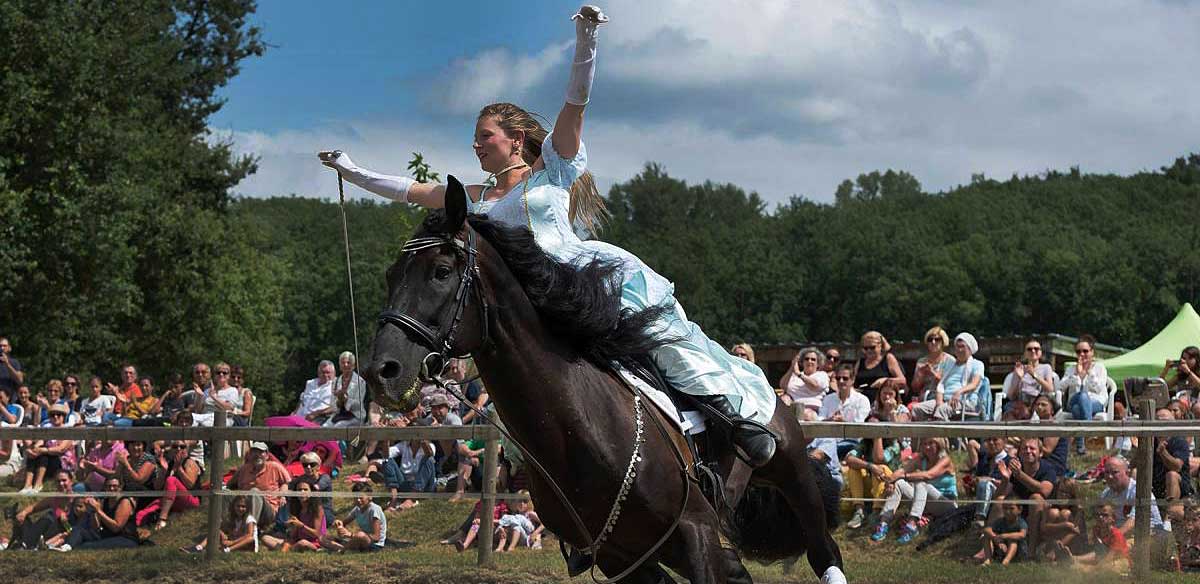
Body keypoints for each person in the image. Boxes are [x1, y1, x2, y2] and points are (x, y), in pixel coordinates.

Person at [318, 5, 781, 470]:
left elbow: (576, 101)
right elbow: (405, 189)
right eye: (474, 139)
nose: (476, 145)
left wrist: (586, 39)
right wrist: (350, 169)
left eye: (485, 137)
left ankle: (730, 416)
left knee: (658, 338)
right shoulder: (475, 198)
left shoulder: (551, 171)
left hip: (578, 281)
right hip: (527, 302)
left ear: (516, 139)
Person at [871, 437, 958, 544]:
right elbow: (902, 470)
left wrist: (904, 476)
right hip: (925, 502)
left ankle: (912, 524)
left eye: (931, 443)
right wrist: (891, 481)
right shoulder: (920, 459)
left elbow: (928, 475)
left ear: (939, 444)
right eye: (924, 444)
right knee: (899, 484)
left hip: (946, 505)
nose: (927, 447)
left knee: (921, 482)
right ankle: (883, 524)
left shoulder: (945, 460)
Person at [841, 412, 903, 530]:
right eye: (869, 427)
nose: (872, 429)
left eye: (875, 426)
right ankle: (859, 510)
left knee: (881, 468)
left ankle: (877, 511)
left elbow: (879, 459)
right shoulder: (864, 443)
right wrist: (869, 466)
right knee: (854, 468)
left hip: (891, 487)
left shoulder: (894, 444)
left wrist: (877, 437)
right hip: (872, 487)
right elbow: (849, 459)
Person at [997, 437, 1057, 552]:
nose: (1028, 451)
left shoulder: (1048, 469)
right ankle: (988, 547)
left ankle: (1031, 550)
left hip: (1042, 516)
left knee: (1036, 498)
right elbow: (999, 497)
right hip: (1018, 514)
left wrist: (1020, 475)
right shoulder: (1014, 467)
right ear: (1019, 452)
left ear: (1041, 453)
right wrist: (1005, 480)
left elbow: (1044, 490)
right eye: (1024, 448)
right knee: (1000, 500)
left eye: (1032, 448)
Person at [912, 332, 984, 421]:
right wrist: (939, 402)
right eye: (957, 347)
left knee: (942, 410)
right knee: (917, 409)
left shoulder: (977, 364)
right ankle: (923, 434)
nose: (959, 350)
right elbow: (941, 386)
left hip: (963, 400)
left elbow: (974, 384)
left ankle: (939, 434)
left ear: (970, 349)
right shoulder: (950, 365)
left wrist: (958, 392)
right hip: (944, 400)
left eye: (962, 347)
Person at [55, 477, 141, 551]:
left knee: (86, 546)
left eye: (115, 486)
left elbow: (116, 527)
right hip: (107, 535)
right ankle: (66, 547)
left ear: (120, 487)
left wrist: (99, 510)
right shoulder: (104, 501)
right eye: (109, 486)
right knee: (77, 529)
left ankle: (68, 547)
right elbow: (96, 527)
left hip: (125, 538)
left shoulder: (125, 502)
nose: (111, 489)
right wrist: (93, 511)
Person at [1058, 334, 1109, 454]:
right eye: (1078, 351)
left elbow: (1098, 389)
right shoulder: (1071, 369)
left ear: (1092, 352)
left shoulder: (1100, 368)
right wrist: (1077, 375)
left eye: (1085, 351)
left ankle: (1080, 446)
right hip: (1073, 400)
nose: (1082, 354)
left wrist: (1089, 372)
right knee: (1081, 396)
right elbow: (1060, 386)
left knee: (1078, 408)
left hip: (1096, 403)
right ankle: (1089, 430)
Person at [1151, 407, 1192, 550]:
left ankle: (1168, 518)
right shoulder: (1149, 441)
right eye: (1157, 420)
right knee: (1135, 472)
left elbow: (1177, 467)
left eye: (1165, 421)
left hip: (1179, 487)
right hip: (1155, 486)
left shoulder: (1179, 441)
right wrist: (1139, 449)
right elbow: (1133, 465)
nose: (1160, 424)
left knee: (1172, 475)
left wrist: (1163, 452)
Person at [137, 440, 202, 529]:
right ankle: (135, 531)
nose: (178, 449)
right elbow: (157, 487)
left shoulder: (190, 462)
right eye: (175, 447)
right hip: (171, 500)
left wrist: (179, 469)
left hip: (191, 499)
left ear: (187, 449)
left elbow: (190, 485)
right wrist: (163, 471)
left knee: (171, 480)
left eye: (182, 447)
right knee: (142, 513)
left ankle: (162, 518)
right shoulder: (169, 463)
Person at [1098, 456, 1165, 538]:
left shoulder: (1139, 491)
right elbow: (1101, 519)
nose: (1110, 476)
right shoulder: (1106, 494)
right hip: (1123, 536)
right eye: (1107, 472)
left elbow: (1133, 522)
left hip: (1149, 535)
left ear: (1127, 472)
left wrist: (1113, 539)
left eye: (1115, 472)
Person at [233, 441, 293, 531]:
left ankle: (251, 530)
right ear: (249, 455)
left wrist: (283, 495)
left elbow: (286, 482)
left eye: (260, 452)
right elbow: (230, 484)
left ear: (267, 455)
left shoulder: (275, 467)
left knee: (254, 492)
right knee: (222, 493)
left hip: (268, 510)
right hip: (243, 507)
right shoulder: (243, 469)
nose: (257, 455)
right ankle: (223, 529)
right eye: (254, 452)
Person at [19, 402, 75, 494]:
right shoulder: (47, 430)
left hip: (62, 464)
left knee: (44, 454)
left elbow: (61, 449)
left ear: (63, 417)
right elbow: (40, 442)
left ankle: (38, 484)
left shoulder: (67, 431)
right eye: (53, 415)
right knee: (36, 453)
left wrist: (43, 450)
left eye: (59, 415)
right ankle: (27, 485)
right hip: (49, 462)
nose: (56, 417)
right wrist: (32, 450)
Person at [8, 470, 73, 549]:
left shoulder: (77, 499)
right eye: (58, 481)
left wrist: (65, 522)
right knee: (25, 518)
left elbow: (75, 527)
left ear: (71, 481)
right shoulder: (53, 499)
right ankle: (25, 543)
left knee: (50, 515)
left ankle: (25, 543)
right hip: (49, 530)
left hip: (66, 532)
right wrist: (23, 513)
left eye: (64, 480)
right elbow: (34, 507)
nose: (61, 484)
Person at [819, 363, 871, 458]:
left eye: (845, 378)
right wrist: (830, 420)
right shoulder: (828, 399)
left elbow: (859, 427)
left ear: (852, 380)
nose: (841, 381)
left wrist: (843, 422)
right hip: (829, 442)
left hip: (852, 443)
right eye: (838, 378)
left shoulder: (862, 400)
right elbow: (819, 421)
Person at [262, 477, 325, 552]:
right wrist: (292, 527)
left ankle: (286, 550)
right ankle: (288, 549)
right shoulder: (297, 507)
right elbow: (293, 536)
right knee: (265, 538)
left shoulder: (317, 508)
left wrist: (301, 526)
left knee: (303, 543)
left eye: (305, 489)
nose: (302, 492)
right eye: (299, 490)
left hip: (314, 542)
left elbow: (317, 534)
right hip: (298, 540)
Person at [183, 495, 258, 554]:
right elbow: (224, 529)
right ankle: (199, 547)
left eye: (243, 506)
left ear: (247, 508)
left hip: (247, 544)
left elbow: (249, 535)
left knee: (250, 539)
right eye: (238, 506)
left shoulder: (249, 518)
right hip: (234, 540)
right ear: (234, 506)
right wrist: (222, 534)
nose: (240, 509)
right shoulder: (234, 518)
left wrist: (232, 542)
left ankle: (227, 550)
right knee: (216, 530)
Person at [328, 482, 387, 552]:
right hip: (360, 541)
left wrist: (351, 535)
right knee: (324, 537)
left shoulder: (374, 509)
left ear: (370, 497)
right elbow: (344, 522)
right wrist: (339, 524)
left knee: (360, 535)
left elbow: (376, 537)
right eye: (356, 498)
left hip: (374, 544)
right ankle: (343, 548)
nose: (358, 500)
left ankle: (342, 549)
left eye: (361, 498)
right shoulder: (357, 509)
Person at [967, 436, 1011, 528]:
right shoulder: (984, 459)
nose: (991, 443)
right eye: (988, 439)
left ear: (1004, 441)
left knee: (984, 483)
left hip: (1001, 496)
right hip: (983, 499)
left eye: (995, 439)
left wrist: (990, 480)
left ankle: (980, 519)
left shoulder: (1010, 461)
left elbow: (1010, 485)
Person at [1068, 504, 1130, 568]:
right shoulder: (1096, 530)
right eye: (1098, 515)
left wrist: (1091, 569)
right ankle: (1074, 559)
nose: (1101, 517)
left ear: (1113, 518)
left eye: (1105, 515)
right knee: (1099, 550)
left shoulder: (1116, 535)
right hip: (1104, 556)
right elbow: (1096, 551)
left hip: (1119, 561)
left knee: (1108, 567)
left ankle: (1082, 565)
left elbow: (1109, 558)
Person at [853, 331, 907, 405]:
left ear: (880, 346)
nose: (869, 351)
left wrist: (885, 381)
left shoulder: (888, 358)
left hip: (883, 400)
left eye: (872, 347)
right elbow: (852, 380)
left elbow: (902, 380)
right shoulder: (860, 362)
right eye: (866, 348)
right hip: (862, 399)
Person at [1003, 338, 1057, 410]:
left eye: (1036, 349)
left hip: (1039, 402)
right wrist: (1019, 378)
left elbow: (1050, 389)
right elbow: (1011, 396)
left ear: (1040, 352)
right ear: (1025, 353)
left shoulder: (1046, 367)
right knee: (1008, 408)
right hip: (1021, 402)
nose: (1033, 351)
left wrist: (1034, 374)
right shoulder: (1019, 369)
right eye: (1029, 349)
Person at [908, 326, 954, 403]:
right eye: (930, 340)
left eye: (937, 339)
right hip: (924, 397)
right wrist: (920, 374)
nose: (933, 342)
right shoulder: (921, 361)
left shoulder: (950, 360)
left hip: (943, 398)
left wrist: (932, 372)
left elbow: (948, 384)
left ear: (943, 341)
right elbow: (915, 388)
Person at [780, 347, 829, 416]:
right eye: (807, 359)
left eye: (813, 359)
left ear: (818, 363)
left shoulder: (822, 375)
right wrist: (792, 367)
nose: (809, 361)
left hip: (812, 410)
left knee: (806, 414)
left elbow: (814, 385)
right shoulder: (794, 376)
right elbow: (783, 385)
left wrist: (799, 374)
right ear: (802, 362)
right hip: (792, 408)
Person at [976, 501, 1028, 565]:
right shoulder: (1000, 521)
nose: (1008, 511)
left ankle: (1005, 561)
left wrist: (1004, 536)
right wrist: (996, 538)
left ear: (1020, 510)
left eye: (1011, 508)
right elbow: (987, 529)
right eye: (1005, 508)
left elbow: (1022, 534)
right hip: (1002, 548)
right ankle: (988, 560)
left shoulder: (1021, 522)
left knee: (1013, 541)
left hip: (1018, 552)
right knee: (986, 537)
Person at [326, 352, 368, 427]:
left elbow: (358, 404)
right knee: (324, 427)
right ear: (340, 366)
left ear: (353, 365)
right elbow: (332, 405)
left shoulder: (360, 381)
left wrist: (346, 399)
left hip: (356, 416)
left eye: (348, 362)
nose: (345, 365)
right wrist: (339, 401)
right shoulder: (335, 381)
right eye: (343, 363)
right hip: (339, 415)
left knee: (338, 426)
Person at [294, 451, 335, 527]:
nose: (308, 467)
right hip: (308, 512)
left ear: (318, 466)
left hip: (324, 515)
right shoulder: (301, 479)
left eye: (312, 464)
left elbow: (315, 488)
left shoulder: (325, 478)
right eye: (305, 465)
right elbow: (289, 485)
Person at [1161, 346, 1200, 418]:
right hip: (1179, 406)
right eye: (1184, 358)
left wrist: (1188, 372)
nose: (1186, 361)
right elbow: (1161, 386)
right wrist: (1166, 369)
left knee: (1198, 409)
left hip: (1195, 404)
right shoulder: (1179, 376)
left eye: (1190, 358)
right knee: (1170, 411)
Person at [294, 360, 335, 425]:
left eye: (328, 372)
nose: (325, 375)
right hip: (299, 417)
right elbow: (302, 400)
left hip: (318, 419)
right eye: (323, 372)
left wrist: (316, 414)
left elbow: (335, 407)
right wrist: (294, 413)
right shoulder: (310, 383)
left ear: (333, 373)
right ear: (318, 373)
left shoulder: (336, 385)